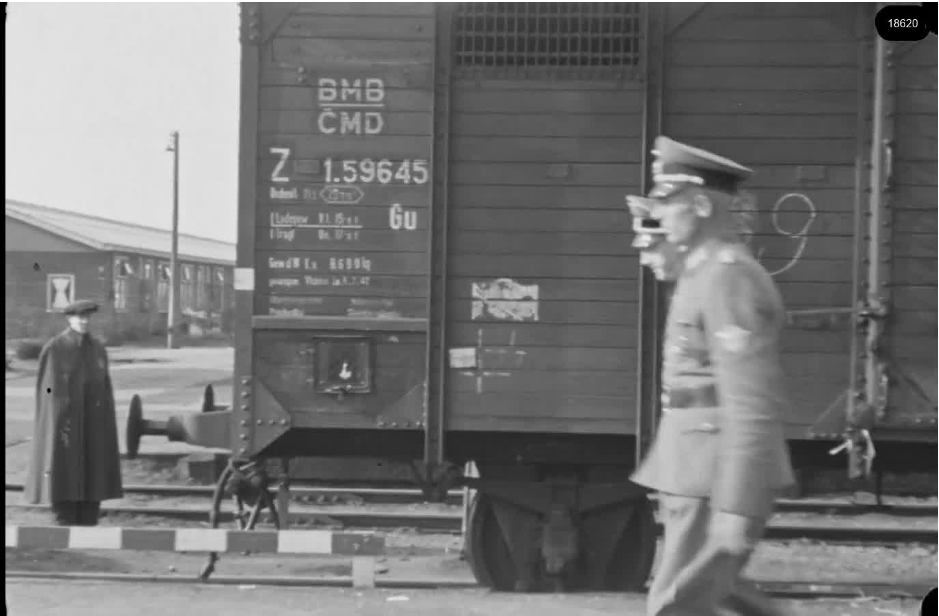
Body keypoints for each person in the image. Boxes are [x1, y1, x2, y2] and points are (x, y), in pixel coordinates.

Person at [629, 136, 797, 616]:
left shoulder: (727, 276)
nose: (660, 214)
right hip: (694, 464)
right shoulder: (704, 272)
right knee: (709, 597)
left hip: (713, 471)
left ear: (701, 204)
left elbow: (751, 402)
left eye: (668, 200)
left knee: (675, 605)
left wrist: (736, 504)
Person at [24, 299, 123, 526]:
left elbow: (104, 388)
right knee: (64, 470)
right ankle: (64, 517)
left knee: (93, 469)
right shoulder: (55, 349)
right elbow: (48, 389)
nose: (85, 321)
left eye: (88, 317)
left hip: (93, 424)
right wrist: (59, 417)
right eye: (80, 317)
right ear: (70, 319)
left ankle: (89, 515)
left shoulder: (97, 349)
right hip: (65, 424)